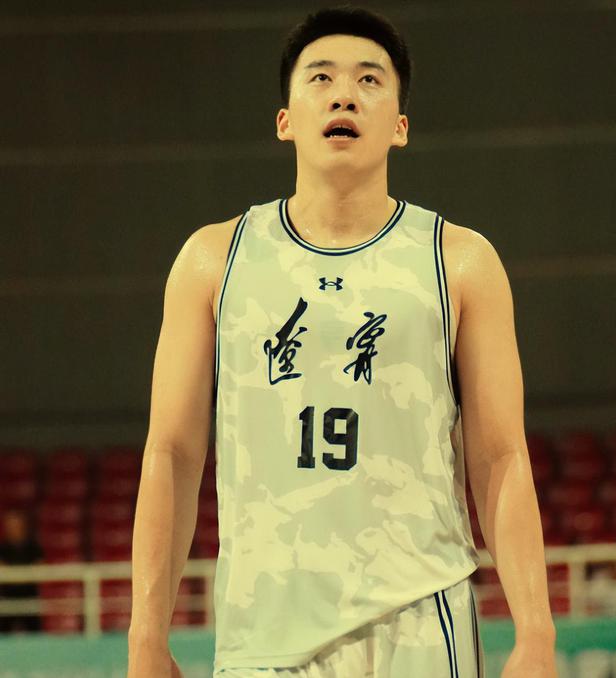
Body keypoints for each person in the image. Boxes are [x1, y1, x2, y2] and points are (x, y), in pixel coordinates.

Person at [127, 5, 556, 677]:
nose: (344, 95)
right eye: (321, 77)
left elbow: (500, 457)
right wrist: (144, 635)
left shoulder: (459, 261)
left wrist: (537, 632)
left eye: (370, 80)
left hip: (421, 623)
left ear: (401, 127)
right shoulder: (214, 259)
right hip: (262, 637)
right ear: (285, 120)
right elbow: (173, 453)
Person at [0, 508, 44, 633]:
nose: (13, 528)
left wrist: (14, 577)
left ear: (23, 525)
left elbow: (39, 569)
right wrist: (24, 576)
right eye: (10, 525)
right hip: (8, 598)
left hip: (30, 596)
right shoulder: (2, 549)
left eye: (16, 524)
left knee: (35, 634)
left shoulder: (33, 547)